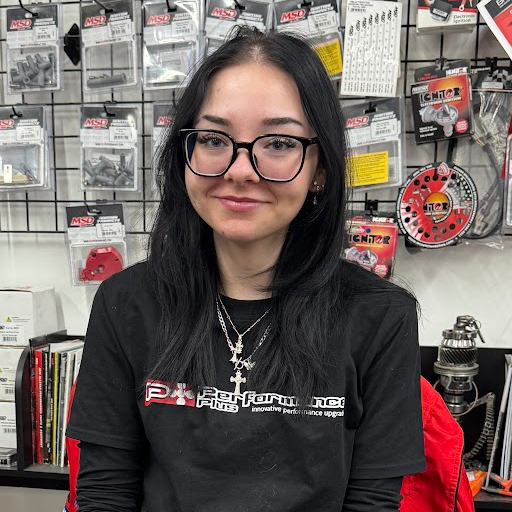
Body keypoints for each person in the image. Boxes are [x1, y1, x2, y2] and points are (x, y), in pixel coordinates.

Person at [66, 26, 425, 511]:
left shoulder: (380, 316)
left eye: (278, 143)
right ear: (185, 154)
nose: (240, 170)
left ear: (320, 168)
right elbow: (105, 494)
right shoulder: (124, 303)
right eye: (214, 138)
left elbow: (372, 502)